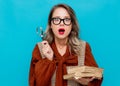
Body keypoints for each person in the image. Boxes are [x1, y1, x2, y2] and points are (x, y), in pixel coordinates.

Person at [29, 4, 103, 86]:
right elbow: (34, 83)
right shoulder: (40, 49)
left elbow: (96, 81)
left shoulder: (83, 48)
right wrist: (48, 61)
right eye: (57, 19)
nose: (62, 24)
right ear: (50, 25)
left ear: (72, 25)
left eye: (66, 19)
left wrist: (87, 82)